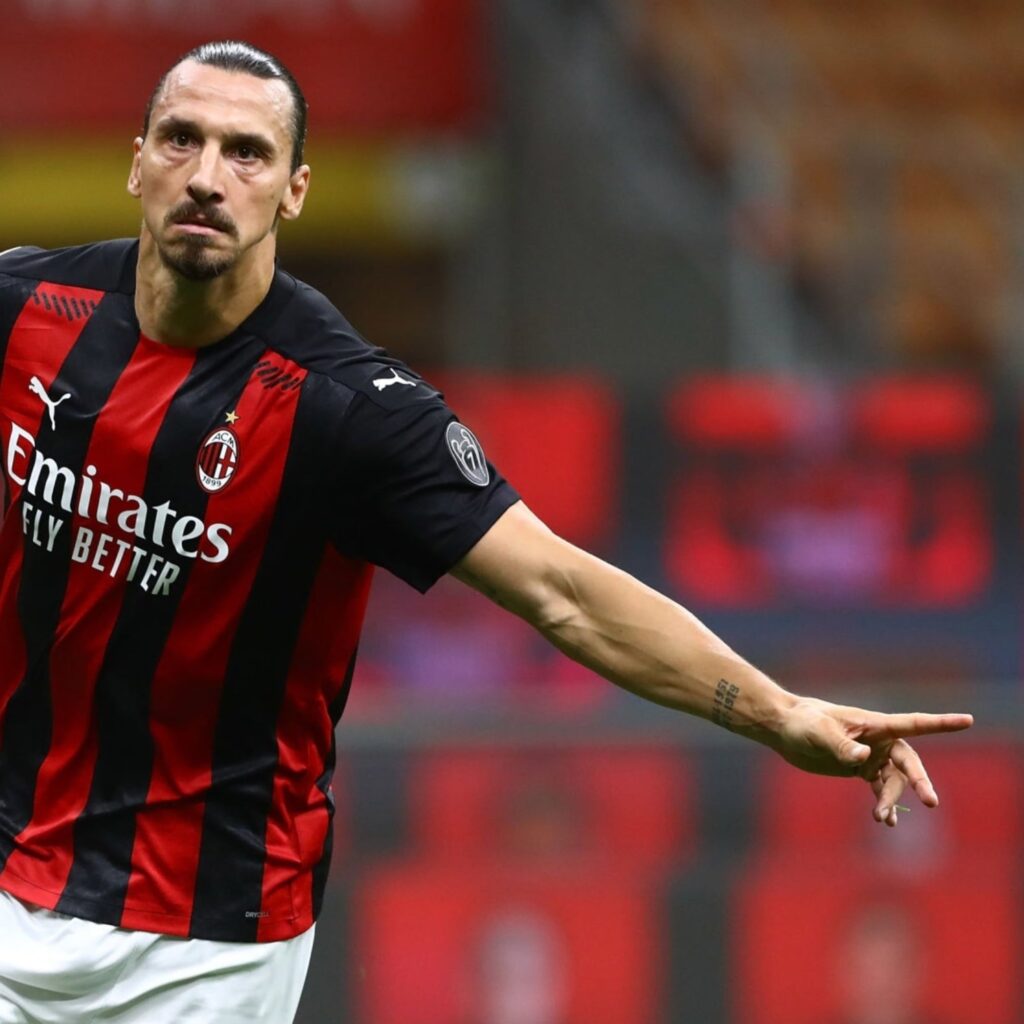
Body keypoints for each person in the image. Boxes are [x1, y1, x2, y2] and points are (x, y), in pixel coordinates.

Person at [0, 39, 972, 1024]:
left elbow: (562, 591)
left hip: (203, 945)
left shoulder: (353, 410)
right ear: (137, 162)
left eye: (246, 152)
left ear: (294, 192)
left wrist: (776, 711)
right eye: (182, 139)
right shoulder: (24, 312)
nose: (208, 176)